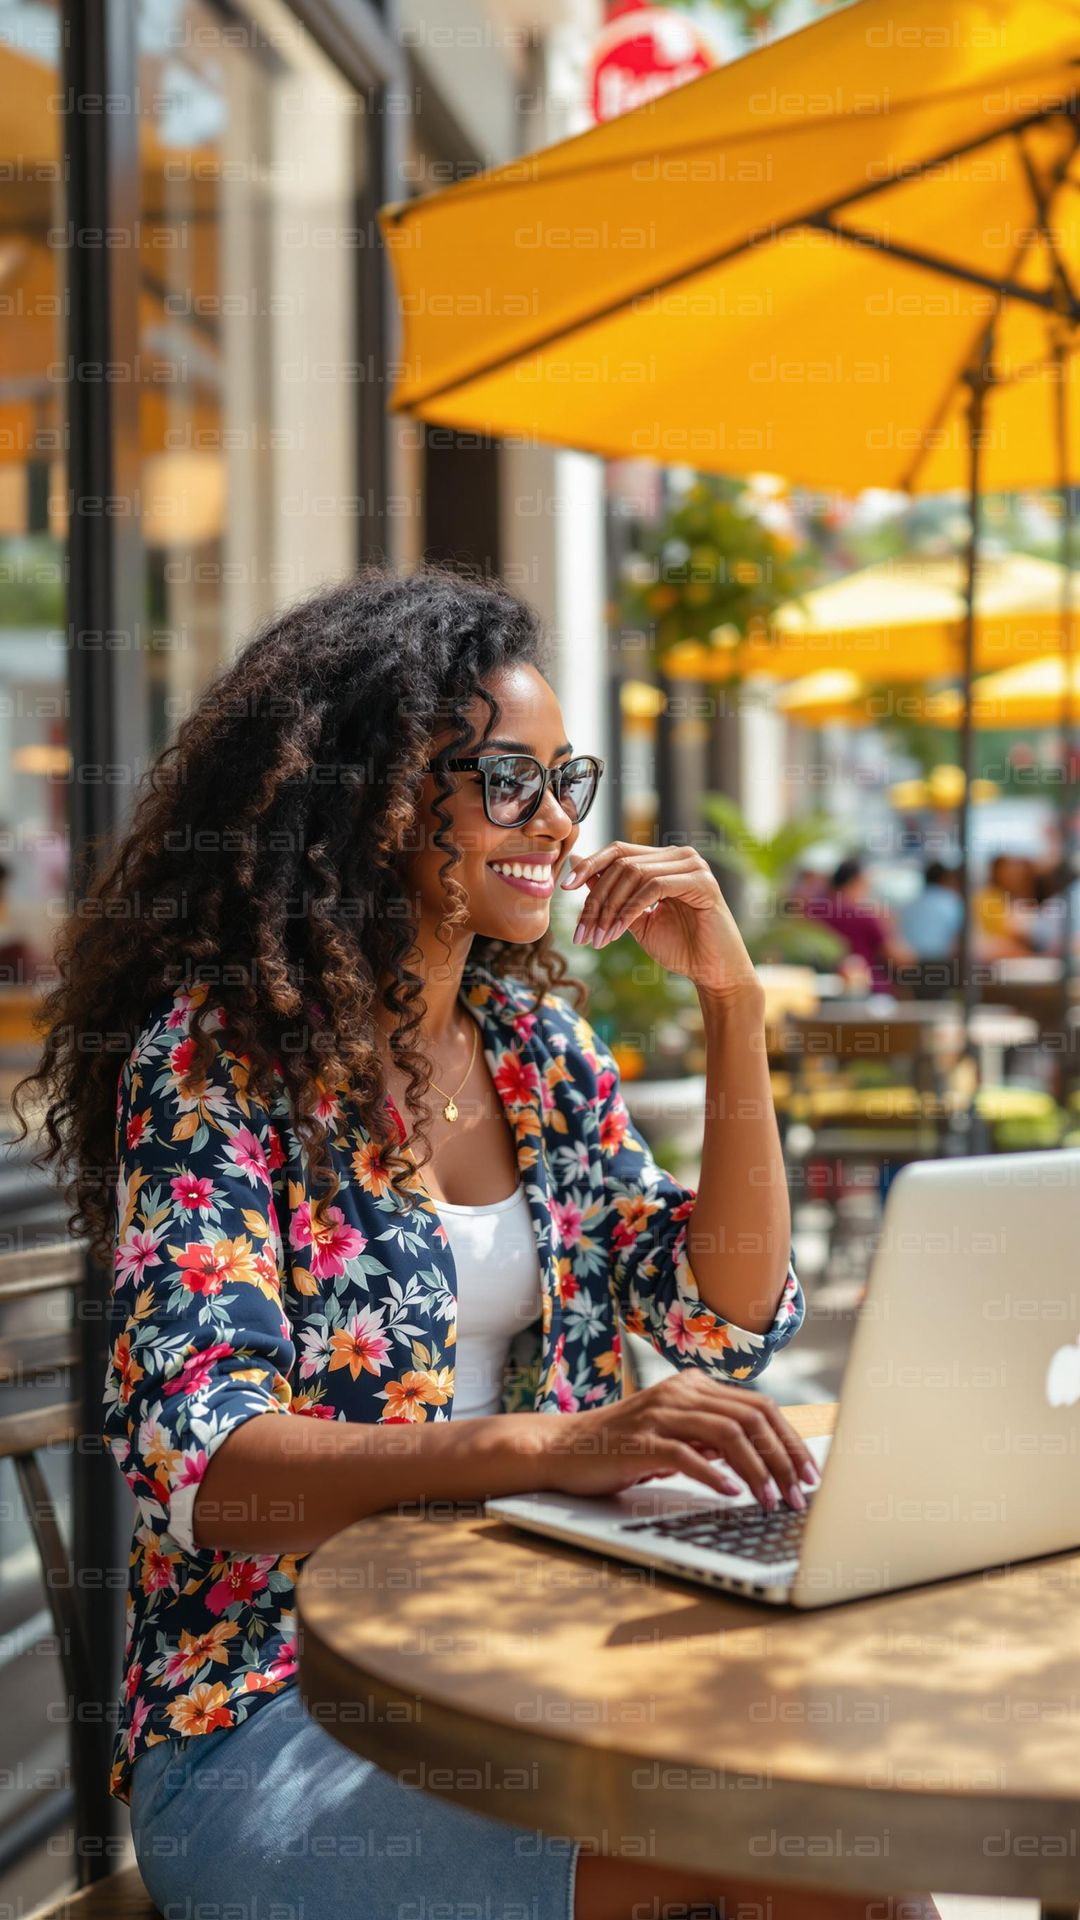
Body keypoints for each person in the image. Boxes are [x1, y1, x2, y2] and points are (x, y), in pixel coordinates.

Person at [12, 565, 941, 1920]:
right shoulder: (217, 1068)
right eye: (508, 781)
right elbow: (215, 1477)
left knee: (859, 1808)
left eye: (567, 776)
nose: (558, 818)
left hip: (527, 1665)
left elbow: (722, 1318)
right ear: (374, 800)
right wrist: (557, 1446)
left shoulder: (535, 1049)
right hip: (284, 1718)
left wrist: (735, 1011)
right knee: (810, 1858)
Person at [813, 855, 915, 995]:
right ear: (857, 882)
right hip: (868, 993)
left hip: (820, 992)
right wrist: (890, 925)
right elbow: (901, 961)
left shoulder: (812, 912)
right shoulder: (865, 914)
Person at [898, 859, 964, 963]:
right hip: (941, 962)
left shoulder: (910, 903)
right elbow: (961, 935)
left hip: (909, 963)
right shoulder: (951, 901)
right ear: (945, 879)